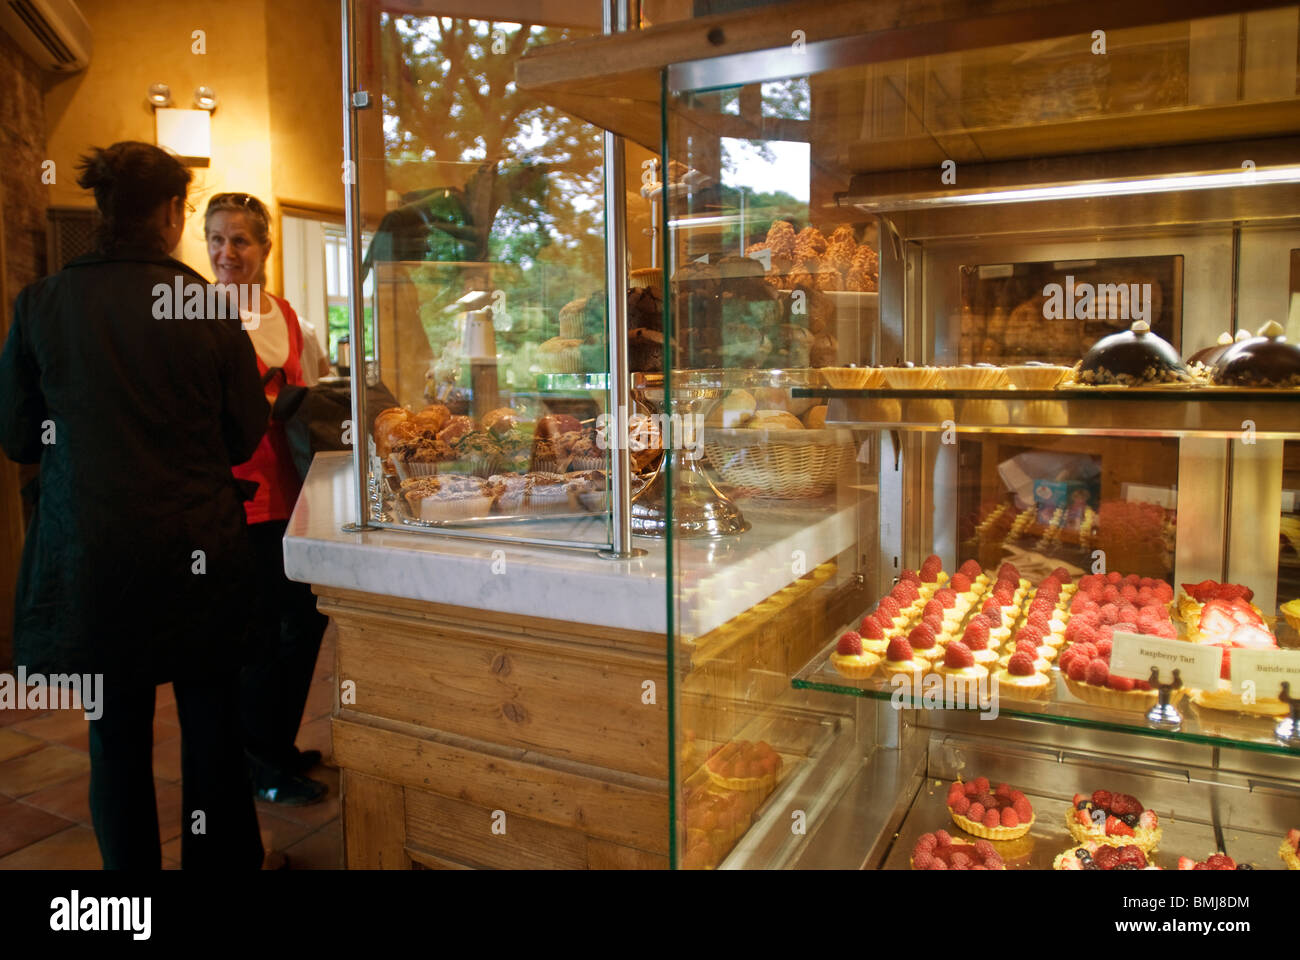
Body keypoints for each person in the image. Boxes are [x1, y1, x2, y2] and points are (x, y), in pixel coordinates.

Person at [0, 141, 269, 869]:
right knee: (210, 729)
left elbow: (21, 437)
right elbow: (245, 436)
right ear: (174, 212)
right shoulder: (205, 306)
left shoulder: (41, 304)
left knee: (113, 737)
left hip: (92, 555)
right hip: (197, 551)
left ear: (102, 209)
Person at [203, 193, 330, 805]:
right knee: (258, 635)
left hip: (299, 497)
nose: (228, 253)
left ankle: (278, 744)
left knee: (304, 625)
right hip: (241, 502)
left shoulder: (287, 315)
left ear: (264, 249)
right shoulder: (195, 317)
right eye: (217, 240)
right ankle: (260, 761)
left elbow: (317, 390)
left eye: (241, 241)